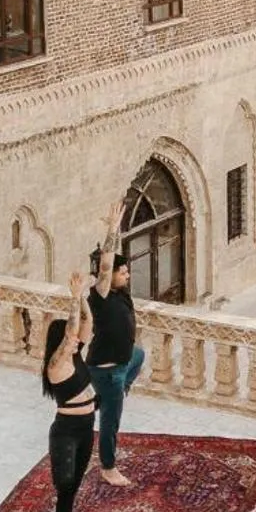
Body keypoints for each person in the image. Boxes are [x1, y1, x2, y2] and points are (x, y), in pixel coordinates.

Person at [40, 271, 118, 512]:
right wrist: (73, 298)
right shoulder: (57, 365)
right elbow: (73, 331)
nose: (76, 342)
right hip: (66, 431)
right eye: (69, 340)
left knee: (74, 486)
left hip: (87, 427)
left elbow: (88, 324)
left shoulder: (74, 356)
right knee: (65, 484)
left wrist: (84, 298)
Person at [86, 202, 146, 474]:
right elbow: (106, 264)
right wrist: (111, 229)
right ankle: (108, 467)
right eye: (123, 273)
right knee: (111, 420)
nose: (127, 275)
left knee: (139, 354)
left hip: (124, 362)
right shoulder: (101, 294)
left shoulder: (121, 293)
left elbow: (114, 262)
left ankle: (117, 391)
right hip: (107, 370)